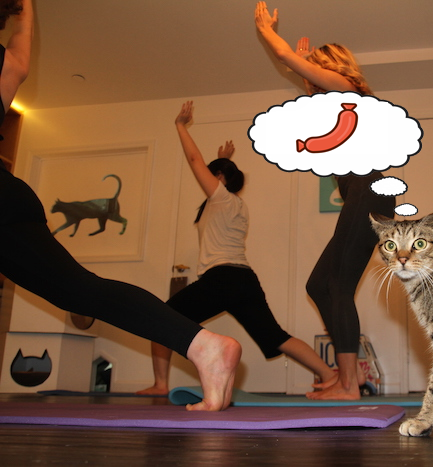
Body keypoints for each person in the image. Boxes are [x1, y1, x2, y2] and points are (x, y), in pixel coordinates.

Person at [0, 0, 240, 411]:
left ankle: (202, 347)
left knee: (78, 291)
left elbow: (197, 164)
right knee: (79, 290)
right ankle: (203, 345)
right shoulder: (7, 62)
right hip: (11, 197)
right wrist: (25, 9)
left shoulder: (226, 201)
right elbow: (19, 61)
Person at [137, 101, 335, 398]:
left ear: (219, 178)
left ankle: (161, 384)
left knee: (161, 319)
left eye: (212, 174)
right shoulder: (231, 204)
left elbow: (194, 159)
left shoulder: (222, 199)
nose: (205, 179)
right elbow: (214, 176)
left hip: (222, 278)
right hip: (243, 281)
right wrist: (224, 161)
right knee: (275, 336)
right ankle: (329, 375)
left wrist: (180, 125)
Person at [255, 2, 396, 400]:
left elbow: (285, 56)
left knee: (338, 284)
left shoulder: (350, 89)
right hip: (364, 195)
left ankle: (350, 385)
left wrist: (268, 32)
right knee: (319, 285)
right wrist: (304, 74)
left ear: (333, 66)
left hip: (369, 191)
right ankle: (345, 376)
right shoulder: (340, 104)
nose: (313, 76)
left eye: (317, 68)